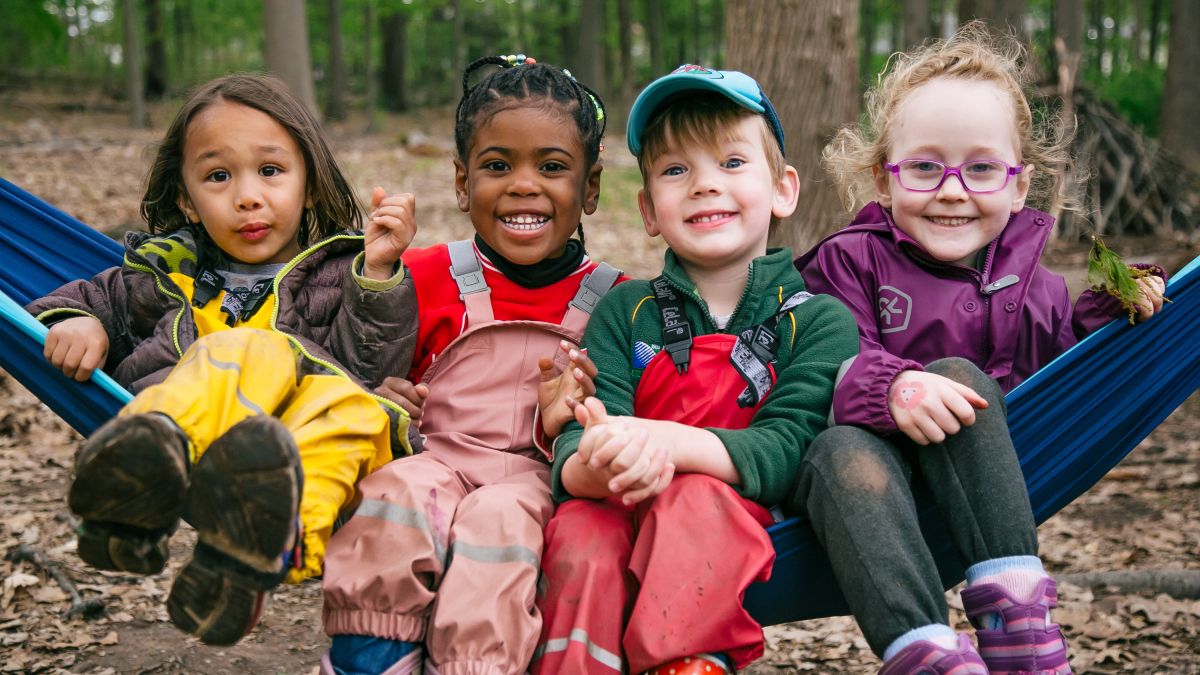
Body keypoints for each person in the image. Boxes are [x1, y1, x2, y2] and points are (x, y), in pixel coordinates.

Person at [791, 25, 1166, 674]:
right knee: (837, 448)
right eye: (926, 166)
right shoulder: (847, 262)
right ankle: (925, 652)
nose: (953, 189)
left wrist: (1111, 308)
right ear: (884, 179)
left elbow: (1066, 379)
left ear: (1020, 187)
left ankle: (1016, 613)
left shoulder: (1037, 287)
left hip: (976, 487)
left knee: (959, 376)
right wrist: (891, 386)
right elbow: (819, 368)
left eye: (983, 167)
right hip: (869, 486)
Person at [26, 74, 420, 646]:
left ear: (308, 183)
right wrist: (75, 321)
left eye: (270, 171)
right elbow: (81, 298)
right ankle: (144, 471)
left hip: (296, 447)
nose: (248, 196)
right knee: (244, 350)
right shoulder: (161, 275)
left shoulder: (339, 274)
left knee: (361, 413)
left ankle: (255, 556)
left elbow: (371, 363)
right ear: (186, 198)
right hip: (193, 437)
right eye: (218, 176)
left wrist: (379, 274)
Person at [530, 65, 860, 675]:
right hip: (618, 503)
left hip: (737, 518)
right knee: (580, 530)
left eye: (732, 163)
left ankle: (683, 664)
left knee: (691, 498)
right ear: (650, 209)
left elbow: (789, 448)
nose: (705, 185)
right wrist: (596, 460)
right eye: (676, 170)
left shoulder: (816, 321)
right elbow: (582, 432)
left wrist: (657, 442)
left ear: (784, 189)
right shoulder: (625, 312)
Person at [319, 54, 621, 675]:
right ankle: (369, 658)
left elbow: (629, 409)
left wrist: (581, 413)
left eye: (553, 167)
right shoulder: (427, 273)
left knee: (496, 524)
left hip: (534, 483)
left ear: (589, 189)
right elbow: (359, 363)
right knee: (395, 494)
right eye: (496, 166)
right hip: (436, 458)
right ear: (462, 183)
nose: (523, 184)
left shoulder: (616, 301)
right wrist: (382, 388)